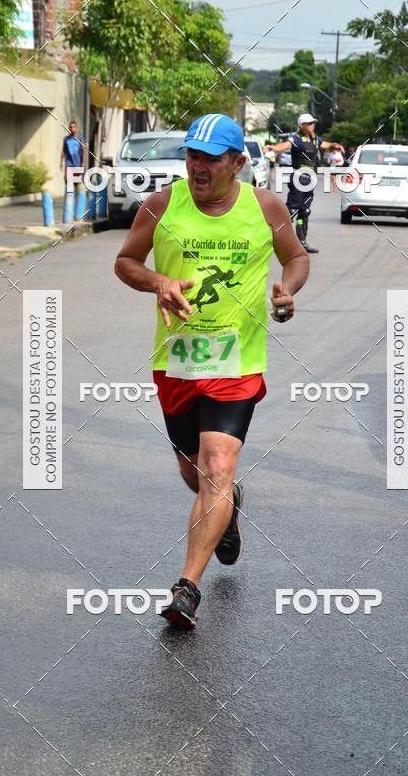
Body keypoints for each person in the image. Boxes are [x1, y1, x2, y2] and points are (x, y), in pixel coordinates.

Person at [114, 114, 310, 628]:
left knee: (217, 467)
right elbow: (125, 262)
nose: (198, 168)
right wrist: (157, 281)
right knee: (194, 471)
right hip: (176, 364)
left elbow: (296, 257)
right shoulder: (161, 205)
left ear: (238, 163)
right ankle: (228, 505)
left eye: (211, 159)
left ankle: (187, 587)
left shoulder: (264, 207)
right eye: (192, 157)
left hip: (237, 363)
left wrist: (288, 290)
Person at [265, 114, 344, 254]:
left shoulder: (314, 140)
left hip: (311, 179)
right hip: (299, 178)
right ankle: (274, 239)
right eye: (309, 123)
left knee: (304, 211)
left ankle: (302, 242)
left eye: (313, 123)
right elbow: (285, 145)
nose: (312, 125)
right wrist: (273, 148)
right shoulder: (296, 138)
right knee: (291, 211)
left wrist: (335, 145)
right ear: (301, 125)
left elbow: (325, 144)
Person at [60, 121, 85, 187]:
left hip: (77, 163)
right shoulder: (66, 139)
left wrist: (83, 162)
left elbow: (83, 151)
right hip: (68, 163)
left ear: (76, 128)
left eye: (73, 127)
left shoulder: (80, 138)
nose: (72, 128)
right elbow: (63, 150)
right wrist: (61, 162)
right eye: (70, 127)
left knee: (76, 183)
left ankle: (75, 196)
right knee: (66, 179)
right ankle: (69, 195)